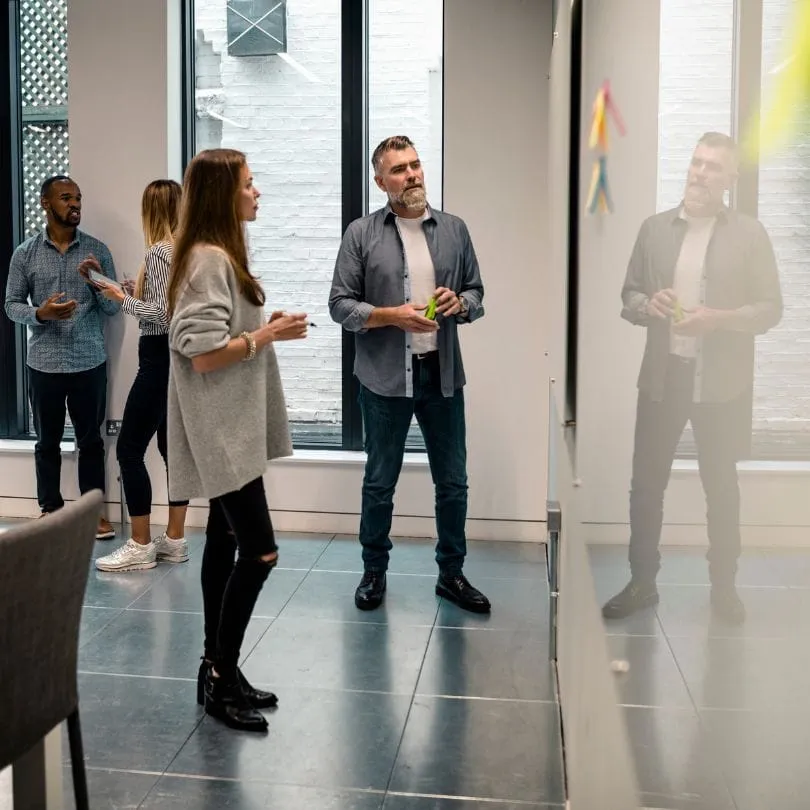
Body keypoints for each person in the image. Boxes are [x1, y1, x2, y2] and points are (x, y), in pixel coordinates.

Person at [602, 132, 782, 625]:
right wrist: (648, 305)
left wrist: (719, 317)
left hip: (722, 385)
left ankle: (724, 588)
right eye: (697, 162)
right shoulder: (655, 229)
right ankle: (642, 583)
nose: (700, 174)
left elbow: (772, 309)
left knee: (721, 487)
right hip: (664, 377)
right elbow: (629, 296)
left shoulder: (750, 234)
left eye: (713, 168)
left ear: (730, 180)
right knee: (645, 487)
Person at [167, 148, 308, 732]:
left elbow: (219, 332)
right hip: (220, 432)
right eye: (250, 184)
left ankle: (217, 668)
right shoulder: (207, 259)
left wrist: (259, 328)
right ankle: (221, 674)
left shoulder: (217, 255)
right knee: (261, 552)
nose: (257, 193)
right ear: (224, 194)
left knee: (224, 547)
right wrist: (267, 335)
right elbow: (200, 353)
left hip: (229, 428)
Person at [329, 134, 490, 614]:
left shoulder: (455, 230)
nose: (412, 175)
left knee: (453, 482)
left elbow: (477, 292)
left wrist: (463, 304)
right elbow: (340, 306)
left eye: (416, 165)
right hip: (383, 379)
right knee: (380, 481)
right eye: (399, 169)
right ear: (381, 181)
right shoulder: (361, 234)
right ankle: (374, 572)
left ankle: (452, 575)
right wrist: (391, 315)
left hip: (441, 374)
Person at [4, 175, 120, 539]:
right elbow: (10, 305)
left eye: (79, 199)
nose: (75, 205)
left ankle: (93, 515)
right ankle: (50, 511)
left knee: (90, 442)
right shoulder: (25, 253)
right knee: (47, 442)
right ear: (46, 203)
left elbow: (113, 308)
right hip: (44, 365)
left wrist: (94, 282)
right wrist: (41, 314)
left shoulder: (97, 251)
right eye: (66, 198)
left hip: (89, 362)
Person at [94, 180, 190, 572]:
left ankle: (139, 544)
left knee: (129, 450)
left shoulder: (158, 252)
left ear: (151, 211)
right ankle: (175, 540)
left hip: (159, 359)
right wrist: (138, 293)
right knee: (173, 453)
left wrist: (124, 300)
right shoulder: (186, 250)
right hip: (180, 361)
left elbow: (166, 317)